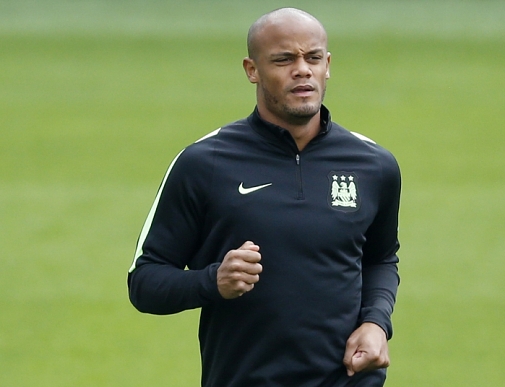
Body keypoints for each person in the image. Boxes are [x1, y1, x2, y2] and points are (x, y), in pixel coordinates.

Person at [127, 7, 401, 387]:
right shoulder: (205, 163)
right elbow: (145, 282)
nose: (302, 70)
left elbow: (381, 258)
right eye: (284, 59)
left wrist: (375, 322)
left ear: (328, 65)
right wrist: (213, 281)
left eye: (314, 57)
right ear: (252, 70)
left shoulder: (374, 165)